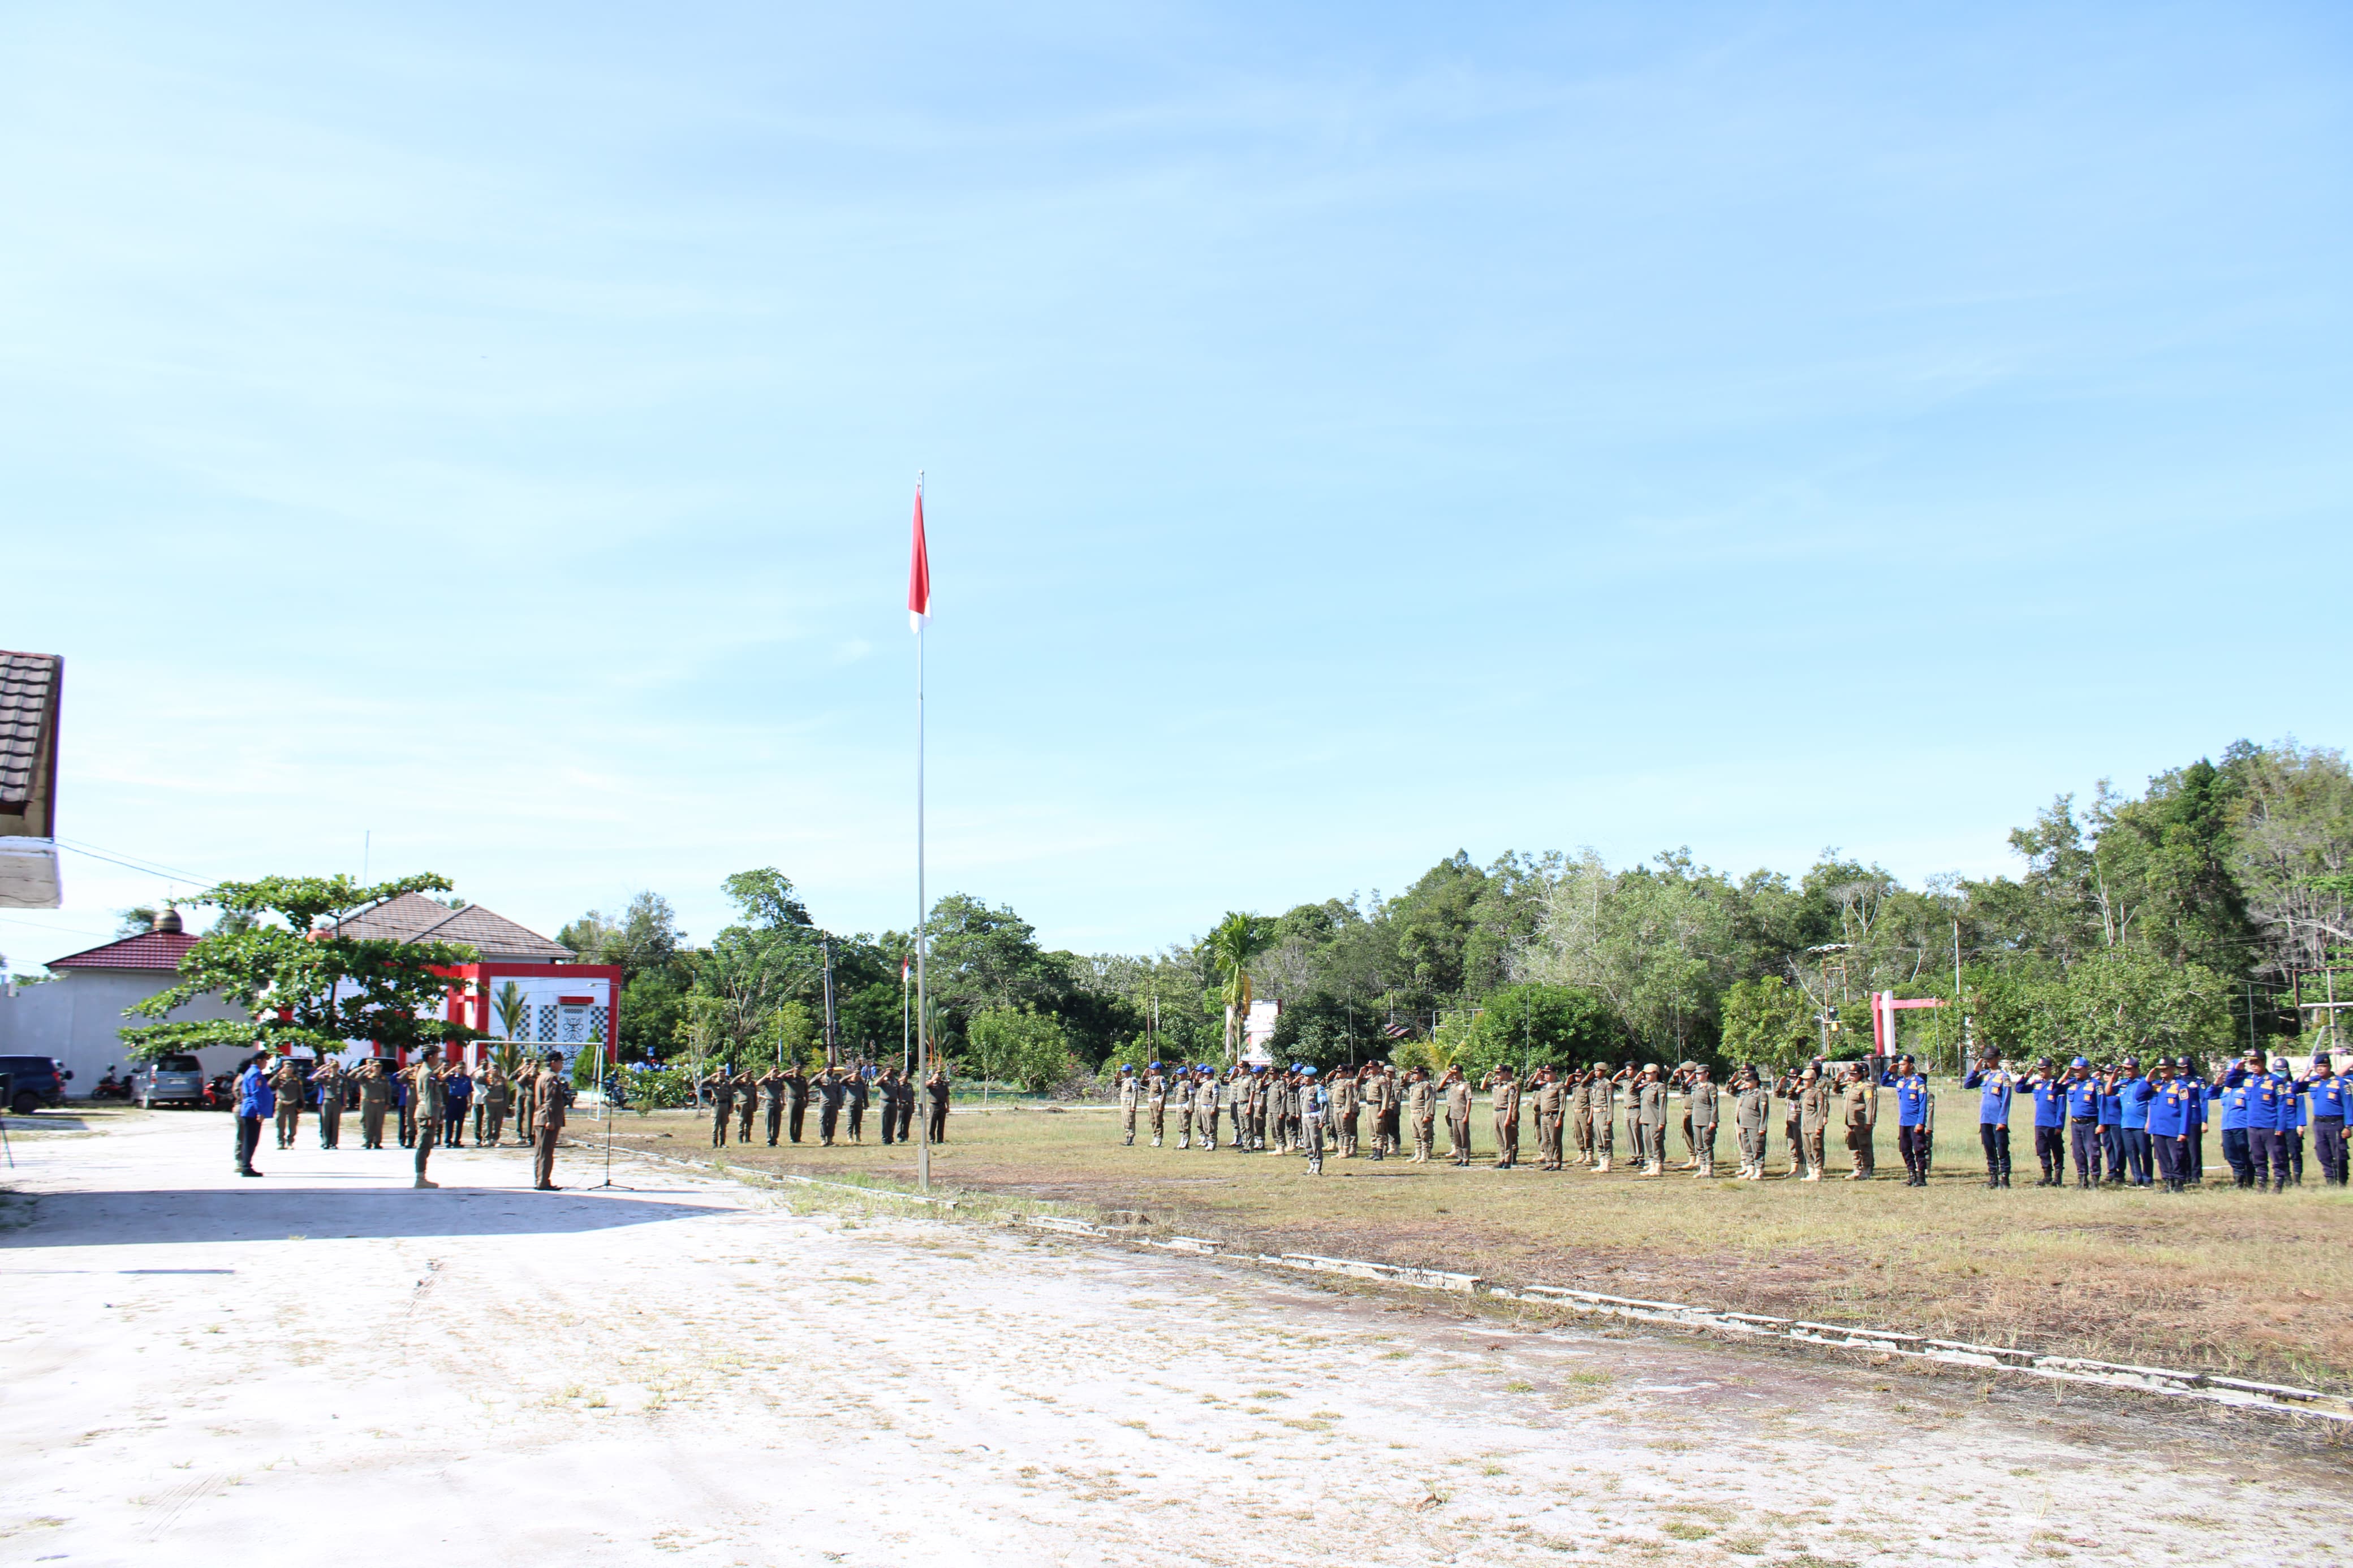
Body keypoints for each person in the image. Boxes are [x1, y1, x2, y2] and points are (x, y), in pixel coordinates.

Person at [1961, 1054, 2022, 1189]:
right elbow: (1968, 1085)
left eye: (1990, 1058)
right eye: (1986, 1059)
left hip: (1997, 1119)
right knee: (1989, 1148)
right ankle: (1993, 1178)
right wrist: (1975, 1071)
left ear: (1997, 1058)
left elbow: (2006, 1100)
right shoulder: (1985, 1075)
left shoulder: (2004, 1077)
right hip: (1985, 1118)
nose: (1987, 1061)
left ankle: (2005, 1179)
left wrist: (2003, 1120)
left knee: (2002, 1148)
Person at [2298, 1052, 2347, 1187]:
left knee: (2339, 1153)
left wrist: (2349, 1126)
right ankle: (2330, 1180)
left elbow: (2349, 1105)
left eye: (2323, 1066)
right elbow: (2296, 1089)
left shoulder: (2340, 1083)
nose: (2320, 1069)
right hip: (2319, 1123)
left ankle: (2342, 1181)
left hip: (2336, 1123)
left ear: (2329, 1066)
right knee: (2323, 1153)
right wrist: (2305, 1076)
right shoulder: (2314, 1082)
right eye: (2317, 1066)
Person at [1880, 1055, 1929, 1186]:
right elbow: (1884, 1082)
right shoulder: (1900, 1081)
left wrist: (1921, 1122)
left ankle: (1921, 1178)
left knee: (1919, 1149)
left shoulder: (1918, 1082)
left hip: (1915, 1122)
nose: (1901, 1068)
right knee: (1905, 1149)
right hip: (1903, 1122)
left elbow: (1923, 1104)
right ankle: (1911, 1175)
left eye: (1903, 1065)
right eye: (1899, 1065)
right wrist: (1889, 1071)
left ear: (1911, 1066)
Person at [404, 1046, 446, 1190]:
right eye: (436, 1056)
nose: (438, 1059)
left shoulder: (427, 1072)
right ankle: (420, 1178)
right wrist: (431, 1115)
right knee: (423, 1146)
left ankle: (422, 1177)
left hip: (428, 1112)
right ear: (430, 1057)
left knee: (427, 1145)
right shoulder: (427, 1073)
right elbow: (428, 1095)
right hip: (426, 1113)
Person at [531, 1049, 569, 1190]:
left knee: (541, 1152)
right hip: (547, 1119)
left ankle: (540, 1180)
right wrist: (550, 1119)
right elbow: (549, 1100)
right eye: (560, 1062)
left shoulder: (543, 1076)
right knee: (546, 1152)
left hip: (540, 1118)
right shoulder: (550, 1078)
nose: (562, 1065)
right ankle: (543, 1182)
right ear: (554, 1063)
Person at [2061, 1058, 2101, 1189]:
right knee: (2078, 1152)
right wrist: (2067, 1073)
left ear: (2086, 1069)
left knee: (2093, 1151)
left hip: (2090, 1123)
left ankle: (2095, 1180)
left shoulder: (2096, 1084)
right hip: (2075, 1123)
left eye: (2079, 1070)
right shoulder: (2071, 1083)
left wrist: (2102, 1124)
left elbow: (2103, 1106)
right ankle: (2082, 1179)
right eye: (2074, 1070)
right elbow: (2057, 1087)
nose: (2076, 1072)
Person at [234, 1051, 274, 1177]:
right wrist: (260, 1111)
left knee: (251, 1140)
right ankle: (246, 1167)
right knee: (251, 1140)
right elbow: (256, 1093)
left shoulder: (254, 1073)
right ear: (258, 1061)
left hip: (251, 1110)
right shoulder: (255, 1073)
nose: (266, 1063)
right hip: (252, 1111)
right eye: (265, 1060)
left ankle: (247, 1165)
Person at [1731, 1067, 1770, 1181]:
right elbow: (1731, 1090)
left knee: (1757, 1148)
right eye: (1745, 1080)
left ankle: (1759, 1171)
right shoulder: (1744, 1093)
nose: (1746, 1083)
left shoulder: (1761, 1094)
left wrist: (1763, 1127)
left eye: (1748, 1080)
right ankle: (1750, 1169)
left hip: (1755, 1125)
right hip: (1744, 1124)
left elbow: (1764, 1112)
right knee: (1747, 1148)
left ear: (1756, 1081)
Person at [1684, 1064, 1720, 1180]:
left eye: (1700, 1073)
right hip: (1696, 1119)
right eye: (1697, 1074)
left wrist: (1713, 1120)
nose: (1698, 1076)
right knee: (1699, 1145)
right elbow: (1683, 1087)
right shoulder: (1695, 1087)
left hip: (1707, 1119)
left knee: (1707, 1144)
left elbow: (1714, 1105)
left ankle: (1709, 1169)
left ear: (1707, 1074)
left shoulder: (1711, 1087)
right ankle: (1702, 1168)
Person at [1796, 1067, 1829, 1181]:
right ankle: (1811, 1171)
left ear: (1813, 1080)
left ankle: (1818, 1172)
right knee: (1807, 1149)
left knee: (1817, 1148)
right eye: (1803, 1080)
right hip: (1805, 1126)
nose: (1804, 1082)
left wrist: (1819, 1126)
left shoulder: (1818, 1093)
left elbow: (1821, 1109)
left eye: (1806, 1080)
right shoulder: (1803, 1093)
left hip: (1814, 1124)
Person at [1485, 1065, 1521, 1169]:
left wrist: (1509, 1117)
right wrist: (1487, 1077)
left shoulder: (1511, 1086)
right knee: (1499, 1137)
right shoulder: (1496, 1085)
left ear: (1505, 1073)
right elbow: (1483, 1087)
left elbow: (1511, 1103)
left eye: (1499, 1072)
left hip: (1505, 1112)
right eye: (1496, 1073)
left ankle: (1508, 1159)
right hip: (1496, 1112)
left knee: (1507, 1138)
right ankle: (1502, 1158)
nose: (1498, 1075)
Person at [355, 1057, 393, 1150]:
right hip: (369, 1103)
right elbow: (354, 1076)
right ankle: (368, 1142)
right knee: (369, 1123)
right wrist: (365, 1069)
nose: (378, 1069)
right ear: (373, 1068)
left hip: (380, 1103)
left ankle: (377, 1142)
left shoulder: (384, 1079)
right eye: (376, 1067)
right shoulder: (366, 1078)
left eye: (379, 1067)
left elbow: (388, 1091)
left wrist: (388, 1103)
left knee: (379, 1124)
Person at [269, 1055, 305, 1149]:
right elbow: (270, 1084)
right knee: (280, 1124)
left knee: (293, 1124)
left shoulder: (296, 1080)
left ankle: (290, 1142)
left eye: (291, 1067)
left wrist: (302, 1106)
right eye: (287, 1067)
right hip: (281, 1104)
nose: (289, 1069)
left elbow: (301, 1093)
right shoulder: (280, 1079)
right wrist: (278, 1074)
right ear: (284, 1068)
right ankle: (281, 1142)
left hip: (293, 1104)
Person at [1532, 1067, 1565, 1171]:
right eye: (1544, 1073)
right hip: (1543, 1116)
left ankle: (1556, 1162)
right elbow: (1529, 1087)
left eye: (1548, 1073)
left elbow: (1562, 1104)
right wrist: (1536, 1076)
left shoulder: (1560, 1086)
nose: (1546, 1075)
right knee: (1546, 1141)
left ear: (1555, 1073)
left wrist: (1560, 1117)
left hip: (1553, 1116)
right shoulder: (1544, 1085)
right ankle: (1549, 1161)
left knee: (1555, 1140)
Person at [1406, 1066, 1438, 1164]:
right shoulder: (1414, 1085)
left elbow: (1429, 1101)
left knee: (1424, 1135)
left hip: (1421, 1112)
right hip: (1413, 1112)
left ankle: (1425, 1155)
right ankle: (1418, 1154)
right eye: (1413, 1074)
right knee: (1416, 1135)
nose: (1414, 1075)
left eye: (1416, 1073)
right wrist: (1405, 1079)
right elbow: (1403, 1086)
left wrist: (1428, 1115)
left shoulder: (1426, 1085)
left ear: (1421, 1074)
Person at [1299, 1066, 1329, 1174]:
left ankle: (1317, 1165)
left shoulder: (1318, 1088)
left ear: (1313, 1077)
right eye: (1304, 1076)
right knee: (1307, 1142)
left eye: (1307, 1076)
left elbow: (1324, 1105)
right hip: (1305, 1118)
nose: (1304, 1078)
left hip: (1314, 1119)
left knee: (1315, 1142)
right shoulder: (1303, 1089)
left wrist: (1323, 1120)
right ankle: (1311, 1164)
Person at [1441, 1065, 1472, 1165]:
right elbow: (1440, 1087)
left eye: (1455, 1072)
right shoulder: (1453, 1084)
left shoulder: (1466, 1085)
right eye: (1453, 1073)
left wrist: (1466, 1115)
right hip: (1452, 1114)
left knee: (1464, 1137)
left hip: (1461, 1114)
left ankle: (1466, 1159)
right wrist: (1447, 1076)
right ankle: (1460, 1157)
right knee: (1456, 1137)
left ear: (1461, 1072)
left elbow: (1469, 1100)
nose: (1454, 1075)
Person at [313, 1057, 347, 1150]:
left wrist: (344, 1104)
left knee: (335, 1123)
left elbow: (344, 1092)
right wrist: (324, 1069)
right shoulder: (325, 1077)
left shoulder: (342, 1078)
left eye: (336, 1067)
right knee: (326, 1122)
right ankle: (325, 1142)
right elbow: (314, 1078)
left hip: (337, 1102)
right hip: (327, 1101)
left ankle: (334, 1143)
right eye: (333, 1067)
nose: (334, 1069)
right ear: (330, 1068)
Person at [442, 1061, 473, 1148]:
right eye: (459, 1068)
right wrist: (451, 1070)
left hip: (463, 1100)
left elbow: (470, 1091)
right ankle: (448, 1140)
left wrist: (470, 1102)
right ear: (456, 1068)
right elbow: (442, 1078)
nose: (461, 1070)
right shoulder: (452, 1077)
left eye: (463, 1068)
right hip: (453, 1100)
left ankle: (457, 1141)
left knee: (460, 1122)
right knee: (450, 1121)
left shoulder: (467, 1078)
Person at [481, 1066, 512, 1146]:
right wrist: (485, 1072)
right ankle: (487, 1139)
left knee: (498, 1123)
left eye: (497, 1069)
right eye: (493, 1068)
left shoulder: (502, 1080)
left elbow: (506, 1093)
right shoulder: (487, 1079)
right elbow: (478, 1080)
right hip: (490, 1104)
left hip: (500, 1104)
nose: (495, 1070)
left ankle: (495, 1139)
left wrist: (506, 1104)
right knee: (488, 1121)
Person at [1333, 1067, 1360, 1159]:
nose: (1339, 1073)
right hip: (1336, 1108)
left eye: (1340, 1072)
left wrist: (1347, 1111)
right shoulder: (1337, 1082)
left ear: (1345, 1072)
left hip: (1343, 1108)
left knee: (1345, 1131)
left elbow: (1349, 1098)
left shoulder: (1348, 1083)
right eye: (1338, 1072)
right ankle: (1340, 1150)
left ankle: (1346, 1150)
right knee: (1339, 1130)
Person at [760, 1065, 788, 1146]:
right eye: (774, 1071)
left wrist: (783, 1102)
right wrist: (768, 1075)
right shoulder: (767, 1081)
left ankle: (775, 1140)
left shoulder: (779, 1081)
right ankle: (769, 1140)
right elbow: (757, 1084)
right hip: (769, 1102)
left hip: (777, 1102)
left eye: (777, 1071)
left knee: (777, 1122)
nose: (776, 1073)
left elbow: (782, 1091)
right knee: (769, 1122)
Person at [709, 1068, 736, 1148]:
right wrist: (712, 1076)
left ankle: (723, 1143)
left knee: (724, 1125)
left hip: (725, 1104)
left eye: (723, 1073)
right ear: (718, 1074)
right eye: (720, 1073)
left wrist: (731, 1107)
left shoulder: (728, 1084)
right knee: (716, 1125)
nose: (722, 1075)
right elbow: (703, 1082)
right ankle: (715, 1143)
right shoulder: (714, 1083)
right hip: (717, 1104)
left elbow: (731, 1096)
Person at [786, 1061, 811, 1143]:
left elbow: (806, 1090)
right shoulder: (790, 1078)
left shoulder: (803, 1079)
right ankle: (792, 1137)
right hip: (792, 1100)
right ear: (794, 1068)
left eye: (800, 1068)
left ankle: (798, 1138)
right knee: (792, 1120)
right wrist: (789, 1071)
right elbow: (780, 1077)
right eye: (798, 1068)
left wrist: (807, 1100)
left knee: (800, 1120)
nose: (799, 1070)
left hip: (801, 1100)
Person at [924, 1065, 951, 1142]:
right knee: (933, 1122)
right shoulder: (931, 1083)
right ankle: (932, 1139)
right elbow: (925, 1086)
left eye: (940, 1074)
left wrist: (948, 1106)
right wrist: (933, 1080)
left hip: (942, 1105)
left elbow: (947, 1096)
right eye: (938, 1074)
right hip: (934, 1105)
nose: (940, 1076)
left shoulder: (944, 1084)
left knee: (941, 1124)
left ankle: (940, 1140)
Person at [1145, 1064, 1168, 1148]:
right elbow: (1143, 1083)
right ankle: (1155, 1136)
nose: (1152, 1071)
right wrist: (1144, 1075)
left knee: (1158, 1121)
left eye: (1154, 1069)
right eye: (1151, 1069)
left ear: (1158, 1070)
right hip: (1151, 1102)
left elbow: (1164, 1092)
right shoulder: (1152, 1079)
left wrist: (1162, 1105)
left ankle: (1159, 1138)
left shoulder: (1161, 1079)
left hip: (1157, 1102)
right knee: (1153, 1121)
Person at [1117, 1065, 1139, 1147]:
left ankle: (1131, 1138)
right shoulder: (1124, 1080)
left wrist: (1133, 1106)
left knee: (1130, 1120)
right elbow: (1116, 1085)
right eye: (1123, 1072)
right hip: (1123, 1103)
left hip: (1129, 1103)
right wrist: (1117, 1078)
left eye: (1125, 1072)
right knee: (1125, 1121)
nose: (1124, 1073)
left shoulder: (1132, 1080)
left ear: (1130, 1072)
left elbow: (1135, 1093)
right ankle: (1127, 1137)